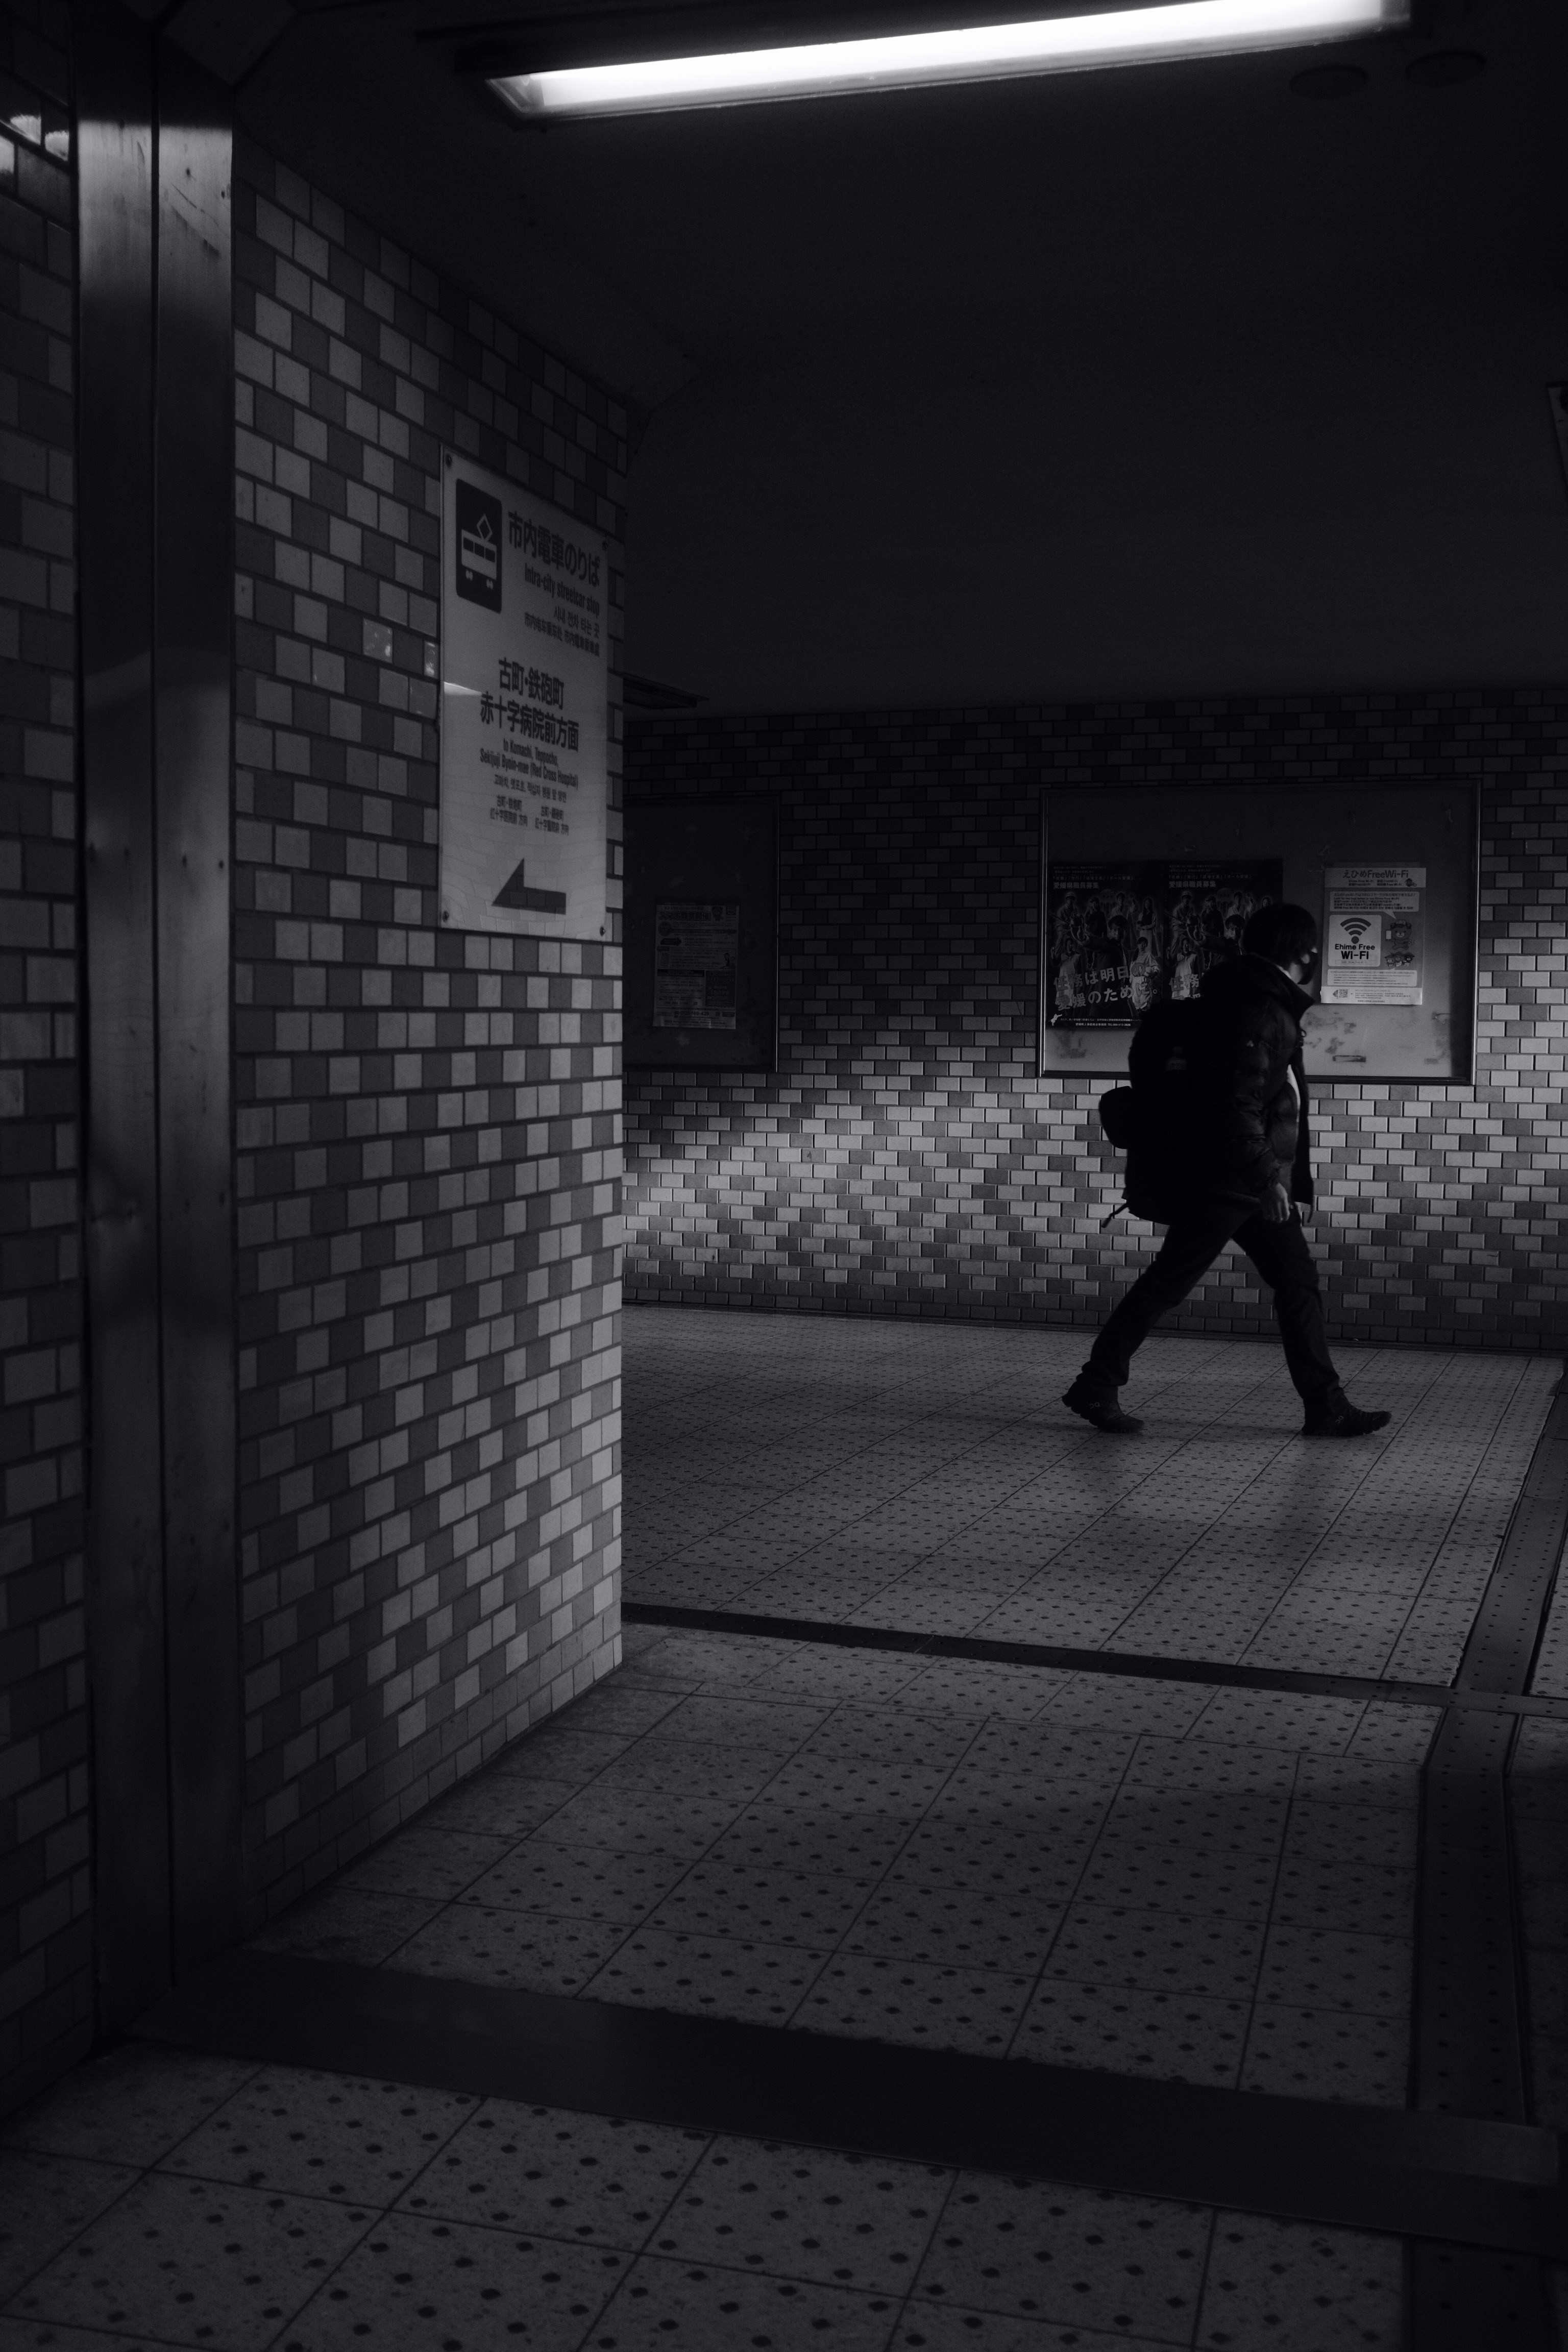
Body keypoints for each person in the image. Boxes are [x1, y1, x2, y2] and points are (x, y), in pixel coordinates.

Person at [1062, 900, 1391, 1439]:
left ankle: (1326, 1405)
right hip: (1232, 1178)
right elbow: (1237, 1099)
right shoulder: (1260, 1010)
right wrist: (1266, 1176)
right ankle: (1097, 1383)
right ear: (1305, 953)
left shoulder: (1241, 997)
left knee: (1293, 1280)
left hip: (1236, 1174)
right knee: (1177, 1280)